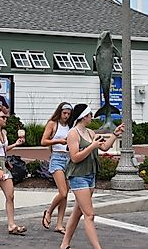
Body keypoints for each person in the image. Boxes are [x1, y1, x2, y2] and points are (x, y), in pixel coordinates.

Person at [60, 104, 124, 249]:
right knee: (89, 215)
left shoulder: (90, 132)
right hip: (78, 176)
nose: (92, 117)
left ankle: (64, 244)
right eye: (89, 115)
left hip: (90, 174)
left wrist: (115, 134)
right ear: (83, 117)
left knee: (78, 211)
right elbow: (75, 157)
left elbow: (104, 147)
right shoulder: (73, 133)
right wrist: (91, 147)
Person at [40, 102, 72, 235]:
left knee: (65, 195)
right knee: (63, 192)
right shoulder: (53, 124)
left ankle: (59, 224)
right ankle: (49, 212)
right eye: (64, 113)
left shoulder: (71, 126)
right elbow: (43, 141)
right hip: (57, 158)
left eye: (69, 114)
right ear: (59, 112)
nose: (66, 116)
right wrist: (58, 141)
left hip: (69, 158)